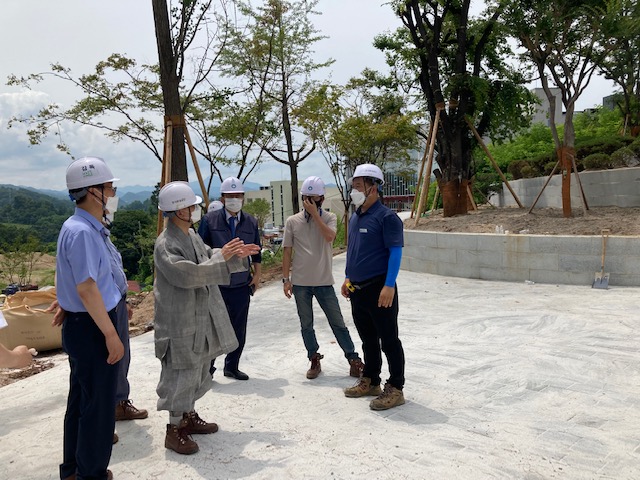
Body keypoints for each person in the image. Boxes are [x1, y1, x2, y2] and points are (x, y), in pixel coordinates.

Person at [154, 181, 259, 455]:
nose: (195, 209)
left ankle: (188, 415)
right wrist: (221, 258)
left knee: (198, 367)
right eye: (191, 205)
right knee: (180, 371)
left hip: (198, 314)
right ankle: (174, 429)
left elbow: (208, 255)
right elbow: (187, 273)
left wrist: (231, 255)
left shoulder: (190, 236)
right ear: (179, 210)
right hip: (179, 320)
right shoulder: (166, 244)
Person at [56, 156, 126, 480]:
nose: (112, 190)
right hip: (94, 327)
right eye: (108, 186)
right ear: (93, 191)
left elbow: (78, 279)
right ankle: (91, 474)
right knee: (98, 410)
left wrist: (66, 304)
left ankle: (72, 470)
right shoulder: (83, 231)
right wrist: (111, 335)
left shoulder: (81, 227)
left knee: (81, 402)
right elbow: (86, 288)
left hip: (84, 324)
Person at [282, 176, 363, 379]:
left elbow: (329, 237)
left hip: (324, 282)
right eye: (306, 197)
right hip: (300, 283)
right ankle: (313, 358)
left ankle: (353, 359)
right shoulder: (292, 221)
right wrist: (286, 279)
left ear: (321, 199)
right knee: (306, 324)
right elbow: (286, 251)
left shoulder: (329, 218)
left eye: (313, 197)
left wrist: (314, 216)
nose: (309, 201)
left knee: (338, 323)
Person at [340, 164, 406, 411]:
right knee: (367, 339)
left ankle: (396, 388)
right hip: (358, 289)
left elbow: (395, 253)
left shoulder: (387, 218)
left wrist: (389, 285)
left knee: (389, 340)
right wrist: (348, 278)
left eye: (358, 186)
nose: (354, 191)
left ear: (373, 187)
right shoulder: (357, 215)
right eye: (353, 187)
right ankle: (371, 380)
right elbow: (353, 251)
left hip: (380, 288)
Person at [197, 177, 261, 381]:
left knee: (239, 327)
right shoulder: (210, 220)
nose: (234, 199)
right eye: (230, 196)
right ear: (223, 198)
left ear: (243, 197)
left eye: (238, 195)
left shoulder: (251, 221)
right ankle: (207, 369)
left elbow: (257, 251)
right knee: (213, 328)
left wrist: (257, 275)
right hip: (217, 283)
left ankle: (232, 366)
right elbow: (200, 250)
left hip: (242, 283)